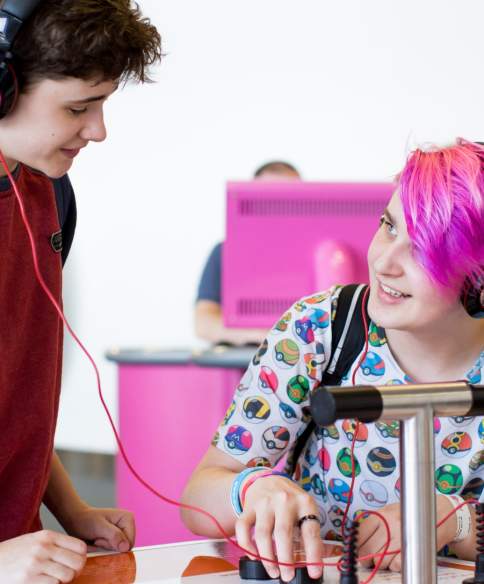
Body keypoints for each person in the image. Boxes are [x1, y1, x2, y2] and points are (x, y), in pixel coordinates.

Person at [181, 139, 484, 581]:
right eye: (389, 225)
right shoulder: (318, 328)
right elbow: (199, 496)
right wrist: (252, 488)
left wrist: (453, 521)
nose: (384, 261)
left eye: (423, 250)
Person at [0, 1, 161, 582]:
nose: (98, 130)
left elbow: (15, 406)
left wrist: (70, 508)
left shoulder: (47, 196)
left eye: (102, 105)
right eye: (78, 107)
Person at [195, 160, 301, 346]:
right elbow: (204, 323)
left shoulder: (325, 257)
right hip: (246, 363)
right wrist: (266, 336)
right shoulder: (224, 252)